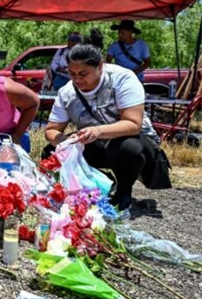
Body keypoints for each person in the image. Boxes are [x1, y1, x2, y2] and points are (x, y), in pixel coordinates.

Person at [43, 44, 159, 210]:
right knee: (52, 151)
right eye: (72, 74)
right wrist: (65, 140)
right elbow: (51, 130)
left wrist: (97, 131)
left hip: (136, 143)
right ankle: (100, 183)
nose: (77, 79)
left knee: (127, 148)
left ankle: (123, 192)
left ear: (100, 66)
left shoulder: (122, 79)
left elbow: (133, 124)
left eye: (83, 74)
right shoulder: (66, 92)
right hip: (96, 142)